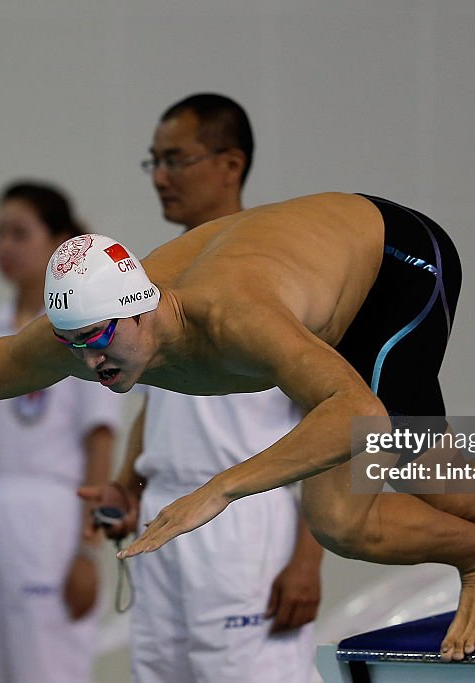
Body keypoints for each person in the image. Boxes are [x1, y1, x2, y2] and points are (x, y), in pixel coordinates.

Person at [0, 191, 475, 662]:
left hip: (396, 264)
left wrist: (221, 488)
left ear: (141, 304)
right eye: (73, 343)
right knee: (340, 516)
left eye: (101, 337)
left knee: (437, 487)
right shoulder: (79, 336)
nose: (89, 359)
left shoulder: (231, 317)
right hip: (312, 284)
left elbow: (357, 414)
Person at [79, 94, 322, 683]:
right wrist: (131, 484)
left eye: (176, 160)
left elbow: (336, 419)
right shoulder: (155, 274)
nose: (160, 177)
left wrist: (308, 560)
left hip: (240, 522)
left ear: (231, 164)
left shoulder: (276, 269)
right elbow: (157, 400)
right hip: (163, 519)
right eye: (153, 162)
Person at [0, 182, 122, 683]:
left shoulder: (84, 331)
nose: (4, 245)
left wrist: (89, 550)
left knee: (46, 669)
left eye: (19, 233)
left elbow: (101, 443)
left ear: (58, 242)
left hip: (49, 524)